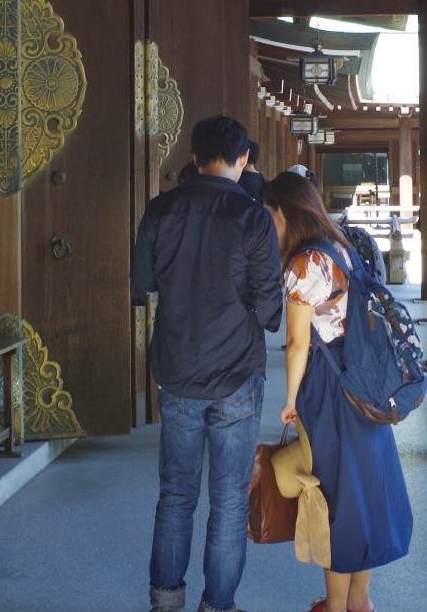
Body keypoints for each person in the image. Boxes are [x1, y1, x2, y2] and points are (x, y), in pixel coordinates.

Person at [132, 114, 285, 612]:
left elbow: (141, 286)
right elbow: (269, 307)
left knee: (176, 493)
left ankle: (165, 600)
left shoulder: (161, 210)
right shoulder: (253, 217)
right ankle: (218, 605)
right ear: (243, 160)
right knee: (228, 499)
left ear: (195, 157)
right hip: (237, 371)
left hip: (177, 368)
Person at [261, 171, 411, 612]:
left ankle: (334, 603)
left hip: (329, 391)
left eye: (270, 216)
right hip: (362, 382)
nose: (268, 226)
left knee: (336, 497)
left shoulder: (302, 265)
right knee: (363, 492)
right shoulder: (342, 248)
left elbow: (297, 344)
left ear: (285, 213)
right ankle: (359, 601)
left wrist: (289, 400)